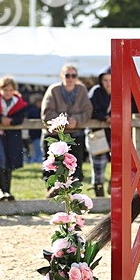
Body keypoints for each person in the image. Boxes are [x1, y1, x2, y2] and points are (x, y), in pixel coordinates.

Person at [41, 64, 92, 192]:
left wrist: (76, 121)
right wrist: (65, 121)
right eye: (67, 75)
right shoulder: (53, 90)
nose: (70, 78)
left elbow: (88, 111)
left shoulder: (81, 90)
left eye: (73, 75)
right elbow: (47, 114)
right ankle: (51, 194)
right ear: (61, 76)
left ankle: (72, 195)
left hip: (75, 136)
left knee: (75, 168)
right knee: (52, 167)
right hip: (55, 136)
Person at [0, 76, 28, 201]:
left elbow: (20, 118)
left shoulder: (18, 102)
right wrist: (0, 119)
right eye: (5, 90)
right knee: (1, 159)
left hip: (11, 136)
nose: (8, 93)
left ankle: (7, 190)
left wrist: (11, 121)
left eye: (10, 90)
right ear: (0, 89)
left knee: (10, 161)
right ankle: (2, 189)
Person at [88, 68, 112, 197]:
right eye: (105, 80)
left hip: (114, 133)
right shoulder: (96, 91)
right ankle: (99, 197)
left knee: (120, 163)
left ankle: (114, 188)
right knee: (98, 167)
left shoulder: (121, 91)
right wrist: (104, 117)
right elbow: (91, 110)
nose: (108, 83)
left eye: (110, 80)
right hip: (97, 132)